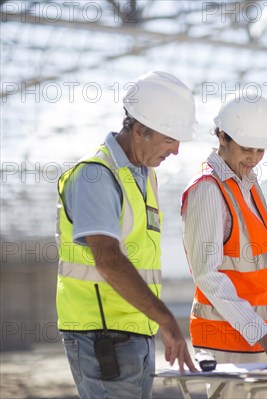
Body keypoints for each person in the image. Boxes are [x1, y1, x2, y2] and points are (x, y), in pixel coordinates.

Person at [56, 71, 199, 398]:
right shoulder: (95, 175)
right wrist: (166, 317)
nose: (176, 150)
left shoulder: (144, 177)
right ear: (139, 131)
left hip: (134, 330)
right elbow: (107, 258)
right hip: (101, 336)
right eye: (169, 139)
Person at [181, 94, 267, 399]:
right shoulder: (208, 189)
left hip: (258, 338)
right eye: (247, 148)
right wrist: (258, 330)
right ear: (221, 137)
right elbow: (207, 274)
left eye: (261, 149)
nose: (255, 157)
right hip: (228, 342)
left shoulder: (248, 183)